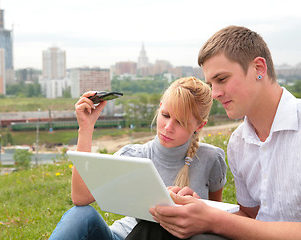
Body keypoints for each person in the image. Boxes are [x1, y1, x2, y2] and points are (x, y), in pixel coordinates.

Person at [127, 25, 301, 240]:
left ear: (258, 68)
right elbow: (252, 219)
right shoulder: (239, 142)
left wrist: (214, 219)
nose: (215, 94)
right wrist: (202, 208)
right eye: (211, 83)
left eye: (222, 79)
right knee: (158, 226)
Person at [48, 76, 228, 240]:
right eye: (165, 115)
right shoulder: (133, 155)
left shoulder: (211, 159)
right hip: (124, 236)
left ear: (200, 125)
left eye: (180, 122)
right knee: (81, 215)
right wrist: (85, 128)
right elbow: (80, 199)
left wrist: (196, 207)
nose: (167, 127)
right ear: (159, 107)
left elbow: (216, 221)